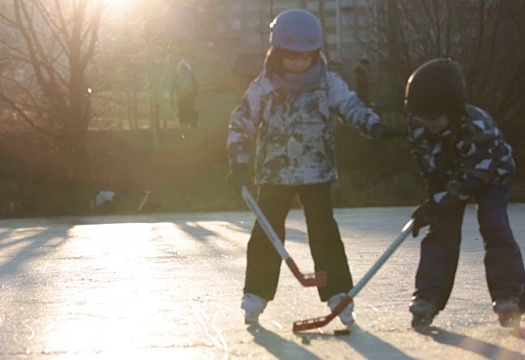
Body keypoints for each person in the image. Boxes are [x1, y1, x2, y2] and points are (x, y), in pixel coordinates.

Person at [226, 9, 400, 326]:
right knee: (266, 231)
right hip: (274, 172)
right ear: (276, 53)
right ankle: (256, 293)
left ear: (315, 53)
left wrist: (373, 126)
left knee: (324, 231)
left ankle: (337, 292)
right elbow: (242, 119)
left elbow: (350, 105)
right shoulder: (264, 86)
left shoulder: (327, 83)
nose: (299, 62)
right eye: (291, 56)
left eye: (306, 56)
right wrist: (237, 155)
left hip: (316, 170)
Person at [405, 58, 525, 329]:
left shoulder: (477, 128)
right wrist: (433, 202)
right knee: (441, 229)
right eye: (423, 116)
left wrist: (439, 202)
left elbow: (472, 180)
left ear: (453, 108)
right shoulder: (418, 127)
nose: (428, 123)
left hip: (491, 174)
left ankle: (510, 293)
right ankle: (428, 296)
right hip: (451, 178)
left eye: (435, 117)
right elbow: (429, 167)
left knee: (493, 224)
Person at [171, 59, 198, 128]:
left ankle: (182, 124)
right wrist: (195, 93)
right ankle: (192, 122)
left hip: (180, 95)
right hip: (190, 94)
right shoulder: (190, 73)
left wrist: (172, 96)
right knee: (190, 108)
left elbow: (174, 86)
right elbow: (195, 83)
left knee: (182, 109)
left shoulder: (177, 74)